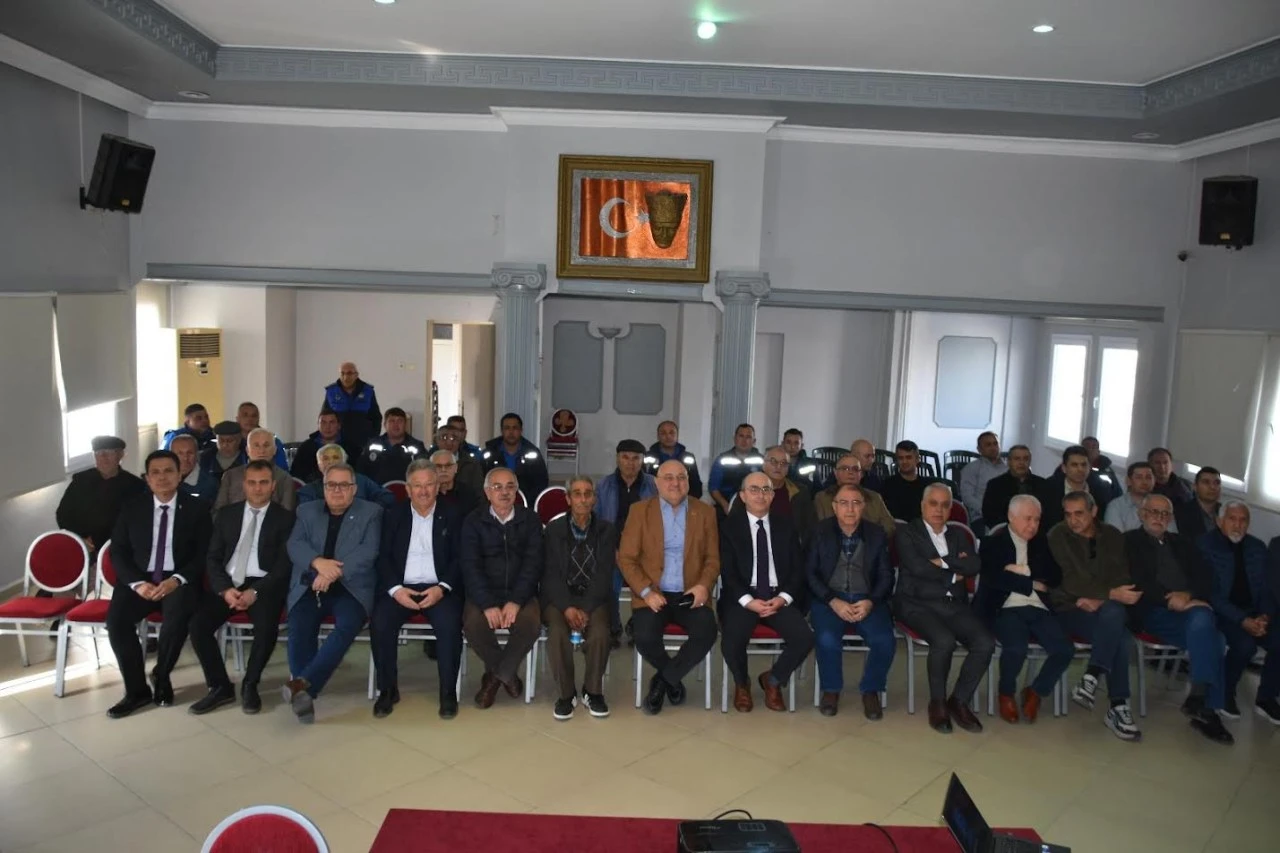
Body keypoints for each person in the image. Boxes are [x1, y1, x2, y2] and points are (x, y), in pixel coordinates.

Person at [104, 450, 212, 718]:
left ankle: (161, 675)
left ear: (179, 475)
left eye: (168, 471)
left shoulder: (197, 509)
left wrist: (177, 580)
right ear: (147, 478)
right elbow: (118, 551)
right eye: (156, 472)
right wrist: (137, 583)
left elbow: (204, 554)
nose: (162, 477)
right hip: (140, 580)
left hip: (178, 581)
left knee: (177, 617)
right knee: (117, 621)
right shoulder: (132, 508)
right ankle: (136, 691)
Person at [187, 460, 294, 716]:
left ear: (273, 486)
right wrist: (225, 590)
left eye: (263, 483)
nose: (257, 488)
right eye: (252, 483)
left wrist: (255, 592)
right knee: (198, 626)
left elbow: (284, 566)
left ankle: (250, 684)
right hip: (229, 583)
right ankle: (220, 686)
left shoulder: (286, 519)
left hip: (264, 585)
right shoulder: (227, 515)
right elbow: (213, 558)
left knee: (266, 628)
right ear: (243, 485)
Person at [1124, 494, 1232, 744]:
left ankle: (1201, 703)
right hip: (1153, 611)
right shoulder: (1128, 541)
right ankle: (1204, 705)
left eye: (1165, 514)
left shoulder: (1183, 543)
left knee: (1210, 630)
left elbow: (1206, 577)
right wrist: (1169, 600)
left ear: (1171, 518)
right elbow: (1136, 580)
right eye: (1154, 512)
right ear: (1141, 514)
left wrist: (1188, 595)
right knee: (1214, 637)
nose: (1159, 518)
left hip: (1189, 609)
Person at [282, 463, 382, 723]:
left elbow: (368, 552)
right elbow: (295, 544)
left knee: (347, 626)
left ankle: (302, 685)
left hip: (351, 587)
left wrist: (331, 573)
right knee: (299, 625)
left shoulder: (371, 512)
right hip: (311, 584)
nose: (337, 490)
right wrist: (318, 563)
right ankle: (304, 693)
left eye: (344, 485)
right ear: (323, 488)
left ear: (354, 489)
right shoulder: (306, 511)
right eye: (331, 485)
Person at [619, 459, 721, 715]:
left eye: (681, 477)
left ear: (688, 481)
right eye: (668, 478)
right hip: (654, 593)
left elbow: (712, 559)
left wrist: (703, 586)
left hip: (690, 594)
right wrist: (646, 592)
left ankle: (662, 681)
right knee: (643, 636)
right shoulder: (639, 511)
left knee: (707, 632)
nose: (675, 483)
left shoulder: (705, 512)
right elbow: (627, 559)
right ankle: (672, 679)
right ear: (656, 483)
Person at [893, 483, 993, 733]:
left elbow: (974, 565)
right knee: (944, 641)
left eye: (945, 505)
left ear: (951, 508)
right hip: (916, 603)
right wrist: (954, 572)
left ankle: (959, 700)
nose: (939, 509)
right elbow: (917, 568)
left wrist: (940, 562)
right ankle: (937, 703)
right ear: (922, 505)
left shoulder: (958, 534)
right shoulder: (907, 533)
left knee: (985, 643)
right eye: (933, 503)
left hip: (953, 604)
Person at [371, 459, 463, 720]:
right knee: (380, 622)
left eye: (429, 484)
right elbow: (382, 557)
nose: (423, 491)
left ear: (438, 486)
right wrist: (396, 590)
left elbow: (460, 558)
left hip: (439, 588)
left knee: (449, 624)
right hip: (401, 588)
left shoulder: (454, 514)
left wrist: (442, 588)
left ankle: (448, 693)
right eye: (417, 485)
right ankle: (388, 690)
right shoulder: (393, 515)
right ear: (408, 489)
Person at [1047, 490, 1142, 741]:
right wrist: (1109, 593)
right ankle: (1117, 705)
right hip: (1068, 608)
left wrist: (1101, 598)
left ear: (1094, 511)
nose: (1073, 520)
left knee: (1116, 622)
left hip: (1103, 608)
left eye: (1079, 513)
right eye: (1068, 514)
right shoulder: (1057, 535)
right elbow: (1069, 580)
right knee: (1120, 635)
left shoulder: (1112, 535)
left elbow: (1122, 578)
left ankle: (1092, 678)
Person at [719, 472, 814, 713]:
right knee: (732, 637)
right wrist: (748, 601)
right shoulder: (728, 527)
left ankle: (773, 680)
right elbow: (728, 573)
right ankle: (742, 683)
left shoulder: (786, 525)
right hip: (743, 597)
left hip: (777, 596)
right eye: (753, 489)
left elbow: (797, 569)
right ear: (742, 496)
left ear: (772, 495)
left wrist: (783, 598)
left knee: (804, 637)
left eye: (766, 490)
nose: (760, 495)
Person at [977, 495, 1072, 724]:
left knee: (1064, 650)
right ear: (1011, 517)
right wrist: (1032, 582)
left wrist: (1019, 570)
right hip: (1006, 608)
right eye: (1027, 519)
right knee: (1016, 648)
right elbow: (994, 579)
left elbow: (1055, 576)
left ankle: (1036, 691)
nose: (1033, 525)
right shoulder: (992, 543)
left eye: (1037, 520)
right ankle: (1006, 693)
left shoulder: (1041, 543)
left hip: (1038, 607)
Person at [808, 484, 895, 719]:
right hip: (829, 598)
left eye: (856, 503)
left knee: (885, 640)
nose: (850, 509)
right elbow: (810, 573)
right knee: (827, 639)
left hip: (867, 598)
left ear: (863, 506)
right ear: (834, 507)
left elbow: (886, 575)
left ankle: (871, 689)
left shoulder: (876, 534)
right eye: (844, 503)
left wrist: (871, 601)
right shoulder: (820, 531)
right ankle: (831, 689)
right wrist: (832, 600)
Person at [461, 467, 544, 708]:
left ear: (516, 491)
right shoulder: (473, 521)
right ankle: (507, 674)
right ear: (487, 492)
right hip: (483, 594)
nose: (504, 492)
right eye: (497, 487)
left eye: (510, 487)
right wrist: (487, 604)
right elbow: (470, 566)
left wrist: (516, 601)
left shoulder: (530, 520)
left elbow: (533, 564)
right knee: (473, 624)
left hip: (521, 593)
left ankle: (494, 679)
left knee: (530, 624)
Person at [541, 477, 616, 720]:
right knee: (557, 633)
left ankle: (592, 692)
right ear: (568, 499)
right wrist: (567, 607)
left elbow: (604, 574)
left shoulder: (606, 530)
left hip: (594, 597)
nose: (583, 499)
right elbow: (550, 574)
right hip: (560, 597)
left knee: (600, 633)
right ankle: (566, 694)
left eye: (588, 494)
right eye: (577, 493)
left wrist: (585, 608)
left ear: (594, 499)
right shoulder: (553, 530)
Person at [1200, 501, 1280, 724]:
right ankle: (1224, 692)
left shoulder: (1257, 547)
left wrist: (1264, 616)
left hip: (1253, 612)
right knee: (1245, 645)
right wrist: (1242, 620)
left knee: (1278, 639)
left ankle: (1266, 698)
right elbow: (1211, 594)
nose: (1238, 525)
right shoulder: (1206, 545)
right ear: (1219, 521)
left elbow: (1266, 588)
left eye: (1243, 520)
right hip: (1221, 613)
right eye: (1232, 519)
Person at [596, 439, 658, 645]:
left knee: (648, 585)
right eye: (625, 457)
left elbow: (659, 522)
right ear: (617, 459)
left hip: (645, 551)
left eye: (635, 458)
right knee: (608, 585)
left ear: (642, 461)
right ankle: (613, 628)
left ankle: (637, 626)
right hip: (612, 548)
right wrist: (613, 550)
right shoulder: (603, 485)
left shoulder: (654, 485)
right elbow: (598, 522)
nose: (630, 463)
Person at [55, 435, 145, 559]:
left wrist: (107, 543)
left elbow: (136, 521)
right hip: (82, 543)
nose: (103, 458)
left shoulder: (135, 485)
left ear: (120, 455)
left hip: (117, 546)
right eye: (98, 453)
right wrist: (80, 537)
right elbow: (63, 513)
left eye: (109, 453)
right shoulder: (81, 480)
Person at [215, 428, 297, 512]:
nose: (261, 451)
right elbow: (218, 512)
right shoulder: (230, 476)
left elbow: (287, 514)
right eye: (256, 445)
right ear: (247, 450)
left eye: (266, 445)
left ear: (275, 450)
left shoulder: (285, 478)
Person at [813, 454, 895, 538]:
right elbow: (819, 528)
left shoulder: (874, 497)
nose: (850, 472)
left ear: (861, 474)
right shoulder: (822, 498)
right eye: (845, 468)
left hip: (870, 542)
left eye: (855, 469)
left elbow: (889, 526)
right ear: (835, 473)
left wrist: (870, 537)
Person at [296, 444, 395, 509]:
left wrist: (368, 510)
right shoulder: (308, 491)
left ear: (344, 461)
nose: (331, 462)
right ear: (319, 465)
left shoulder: (361, 481)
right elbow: (307, 511)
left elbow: (387, 497)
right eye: (325, 458)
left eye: (335, 457)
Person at [481, 412, 549, 507]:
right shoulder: (489, 454)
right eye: (507, 428)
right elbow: (481, 482)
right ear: (502, 431)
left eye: (515, 428)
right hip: (494, 505)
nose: (511, 432)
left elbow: (541, 483)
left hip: (525, 506)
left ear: (521, 430)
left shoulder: (533, 453)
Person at [1037, 445, 1112, 529]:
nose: (1080, 469)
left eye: (1084, 465)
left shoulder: (1101, 490)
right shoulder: (1048, 488)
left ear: (1089, 467)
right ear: (1064, 468)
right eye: (1074, 465)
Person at [760, 445, 818, 547]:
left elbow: (811, 527)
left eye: (784, 463)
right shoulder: (750, 490)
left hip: (792, 549)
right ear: (763, 464)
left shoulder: (800, 492)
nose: (778, 467)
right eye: (773, 461)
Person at [358, 407, 428, 485]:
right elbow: (361, 472)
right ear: (385, 425)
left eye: (400, 421)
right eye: (392, 421)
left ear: (405, 424)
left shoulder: (417, 447)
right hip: (376, 492)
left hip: (408, 491)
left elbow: (424, 472)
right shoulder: (372, 445)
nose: (396, 425)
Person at [322, 362, 382, 453]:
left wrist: (373, 438)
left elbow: (376, 417)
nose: (346, 377)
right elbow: (324, 418)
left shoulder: (367, 390)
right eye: (342, 373)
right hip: (338, 443)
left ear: (356, 375)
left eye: (349, 373)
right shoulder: (331, 391)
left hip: (362, 443)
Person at [707, 423, 764, 519]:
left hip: (755, 510)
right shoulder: (722, 459)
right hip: (725, 508)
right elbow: (713, 487)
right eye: (741, 436)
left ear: (754, 441)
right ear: (734, 438)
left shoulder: (762, 460)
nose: (744, 440)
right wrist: (725, 505)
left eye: (748, 437)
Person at [981, 445, 1043, 531]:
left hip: (1036, 531)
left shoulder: (1042, 484)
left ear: (1030, 461)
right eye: (1017, 459)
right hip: (1005, 532)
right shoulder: (995, 485)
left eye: (1026, 459)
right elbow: (989, 516)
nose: (1021, 463)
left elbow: (1047, 514)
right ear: (1009, 462)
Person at [1104, 462, 1174, 534]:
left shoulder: (1163, 504)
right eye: (1139, 477)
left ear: (1155, 481)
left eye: (1148, 477)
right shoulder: (1116, 506)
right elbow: (1115, 537)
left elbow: (1171, 535)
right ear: (1128, 481)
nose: (1144, 482)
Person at [959, 432, 1006, 535]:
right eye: (988, 445)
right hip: (982, 517)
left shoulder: (1008, 469)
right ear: (979, 449)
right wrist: (987, 511)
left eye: (995, 444)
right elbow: (967, 497)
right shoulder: (971, 468)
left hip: (1008, 517)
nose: (993, 447)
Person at [880, 440, 936, 522]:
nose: (904, 461)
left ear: (917, 459)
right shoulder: (887, 485)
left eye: (908, 457)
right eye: (900, 458)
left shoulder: (927, 487)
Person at [645, 420, 704, 499]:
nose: (668, 436)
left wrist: (688, 501)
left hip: (683, 501)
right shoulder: (647, 457)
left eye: (671, 433)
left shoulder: (687, 457)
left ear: (677, 435)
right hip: (655, 500)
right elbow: (644, 483)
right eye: (663, 433)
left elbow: (695, 483)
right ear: (658, 436)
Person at [289, 408, 350, 484]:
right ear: (318, 425)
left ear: (339, 425)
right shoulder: (306, 447)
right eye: (323, 423)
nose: (327, 427)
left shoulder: (350, 447)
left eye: (332, 422)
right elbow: (296, 475)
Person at [432, 425, 485, 496]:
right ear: (436, 440)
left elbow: (479, 494)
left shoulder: (472, 464)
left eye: (454, 438)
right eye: (444, 437)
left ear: (459, 441)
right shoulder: (427, 462)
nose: (449, 443)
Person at [233, 402, 288, 468]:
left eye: (254, 416)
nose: (250, 419)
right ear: (237, 419)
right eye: (245, 415)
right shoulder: (230, 442)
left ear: (258, 419)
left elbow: (282, 469)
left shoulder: (272, 441)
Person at [1174, 467, 1222, 541]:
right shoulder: (1182, 513)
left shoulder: (1226, 512)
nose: (1212, 487)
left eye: (1217, 483)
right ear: (1195, 487)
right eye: (1206, 482)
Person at [430, 448, 481, 517]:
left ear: (456, 468)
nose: (443, 470)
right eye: (438, 466)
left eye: (448, 465)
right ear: (430, 469)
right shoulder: (426, 493)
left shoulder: (468, 493)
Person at [170, 433, 218, 502]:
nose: (185, 458)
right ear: (171, 455)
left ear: (197, 454)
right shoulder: (161, 478)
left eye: (190, 453)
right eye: (180, 453)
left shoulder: (209, 483)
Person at [1081, 436, 1122, 500]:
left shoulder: (1107, 470)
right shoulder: (1073, 467)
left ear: (1098, 452)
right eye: (1087, 447)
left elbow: (1117, 493)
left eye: (1094, 447)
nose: (1090, 450)